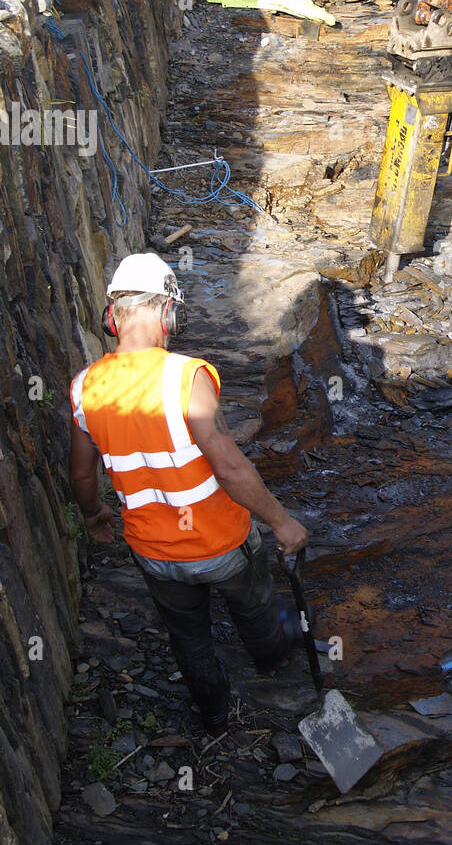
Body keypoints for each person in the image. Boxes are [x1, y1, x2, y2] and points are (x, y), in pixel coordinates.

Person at [69, 252, 308, 735]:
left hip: (153, 553)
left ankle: (214, 713)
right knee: (255, 606)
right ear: (169, 315)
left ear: (112, 318)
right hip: (223, 546)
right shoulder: (186, 377)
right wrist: (282, 522)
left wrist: (95, 515)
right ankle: (271, 664)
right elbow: (230, 468)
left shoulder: (82, 388)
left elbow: (80, 474)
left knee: (188, 636)